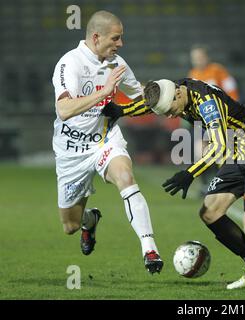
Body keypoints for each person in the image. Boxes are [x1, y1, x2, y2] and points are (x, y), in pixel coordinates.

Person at [102, 78, 245, 289]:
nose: (170, 116)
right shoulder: (174, 90)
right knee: (210, 212)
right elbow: (151, 103)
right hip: (239, 154)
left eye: (170, 110)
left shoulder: (208, 104)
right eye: (166, 113)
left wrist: (189, 173)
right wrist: (122, 110)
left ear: (178, 94)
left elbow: (217, 147)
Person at [51, 11, 163, 274]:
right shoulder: (70, 63)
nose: (120, 44)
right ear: (96, 37)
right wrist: (104, 92)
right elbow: (64, 110)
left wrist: (170, 95)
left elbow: (141, 95)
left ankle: (150, 249)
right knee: (70, 226)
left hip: (105, 140)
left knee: (125, 177)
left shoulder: (117, 63)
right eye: (116, 38)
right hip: (72, 152)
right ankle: (90, 221)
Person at [188, 44, 240, 197]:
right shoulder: (193, 73)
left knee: (221, 152)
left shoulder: (218, 70)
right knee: (200, 153)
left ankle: (224, 184)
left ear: (207, 57)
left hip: (219, 118)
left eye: (200, 57)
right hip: (201, 119)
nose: (198, 61)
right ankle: (206, 185)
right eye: (195, 58)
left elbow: (232, 90)